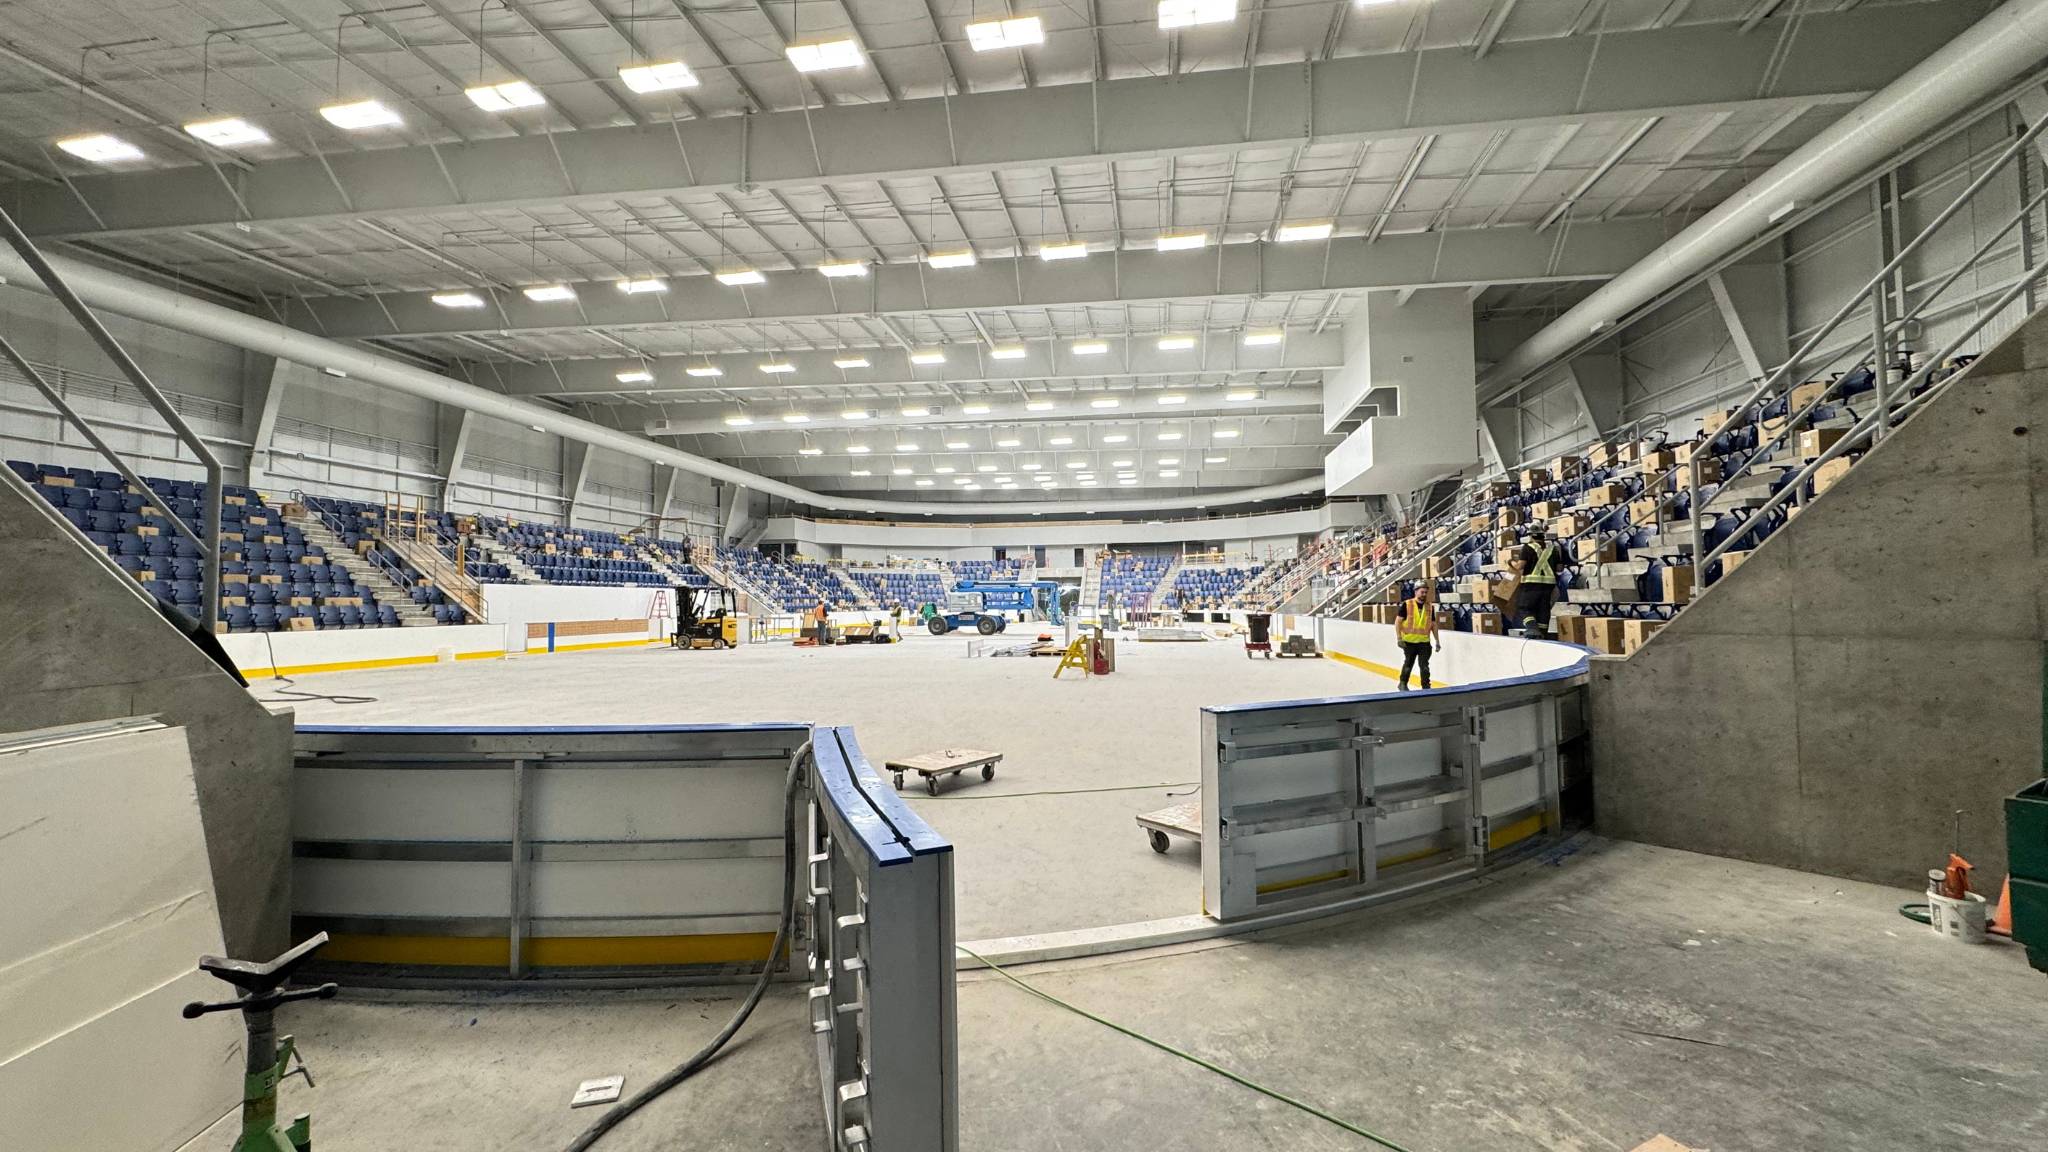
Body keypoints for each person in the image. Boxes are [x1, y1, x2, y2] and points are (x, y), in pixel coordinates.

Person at [1512, 525, 1561, 637]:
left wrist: (1511, 565)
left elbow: (1520, 566)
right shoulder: (1553, 549)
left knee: (1524, 608)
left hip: (1531, 585)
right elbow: (1560, 568)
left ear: (1531, 536)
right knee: (1543, 609)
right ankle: (1542, 633)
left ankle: (1532, 628)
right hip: (1548, 586)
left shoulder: (1527, 547)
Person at [1396, 582, 1441, 691]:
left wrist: (1437, 641)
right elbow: (1398, 622)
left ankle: (1426, 686)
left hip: (1424, 643)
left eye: (1426, 592)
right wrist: (1399, 638)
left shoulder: (1430, 607)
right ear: (1416, 591)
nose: (1424, 594)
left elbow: (1433, 625)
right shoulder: (1407, 604)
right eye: (1422, 592)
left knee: (1424, 666)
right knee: (1408, 664)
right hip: (1409, 642)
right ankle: (1402, 683)